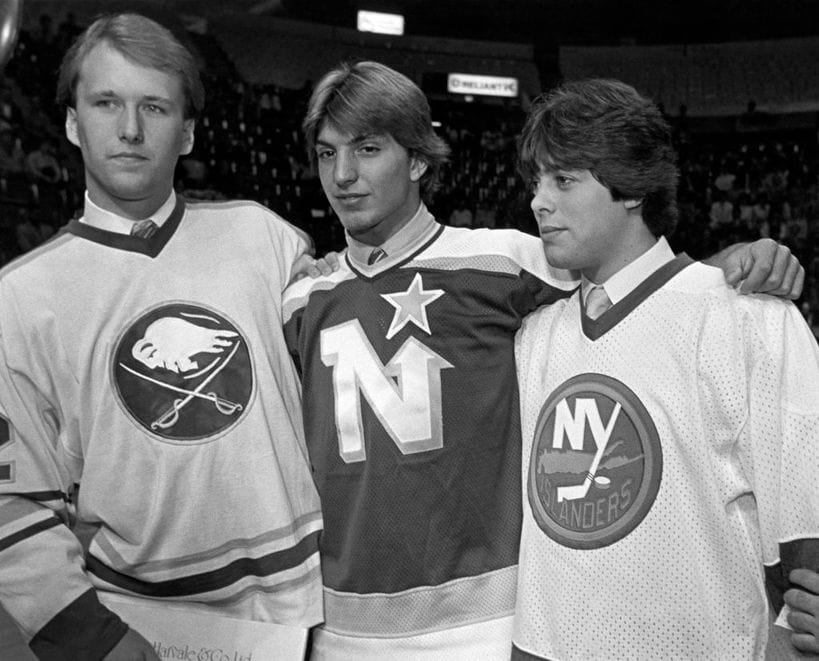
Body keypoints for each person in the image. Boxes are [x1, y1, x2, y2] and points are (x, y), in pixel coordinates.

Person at [282, 61, 804, 660]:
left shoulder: (505, 261)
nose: (343, 175)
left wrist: (744, 259)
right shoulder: (299, 298)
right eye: (326, 154)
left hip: (481, 628)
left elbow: (638, 281)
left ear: (419, 159)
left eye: (367, 149)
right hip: (340, 627)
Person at [0, 13, 324, 660]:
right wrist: (89, 638)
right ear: (71, 122)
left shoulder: (267, 239)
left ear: (188, 132)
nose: (129, 128)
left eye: (154, 106)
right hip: (138, 622)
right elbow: (13, 499)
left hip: (311, 607)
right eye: (106, 103)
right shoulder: (19, 297)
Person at [513, 78, 819, 659]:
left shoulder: (747, 318)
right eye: (536, 181)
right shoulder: (533, 336)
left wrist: (791, 640)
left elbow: (806, 517)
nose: (538, 200)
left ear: (630, 188)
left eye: (563, 179)